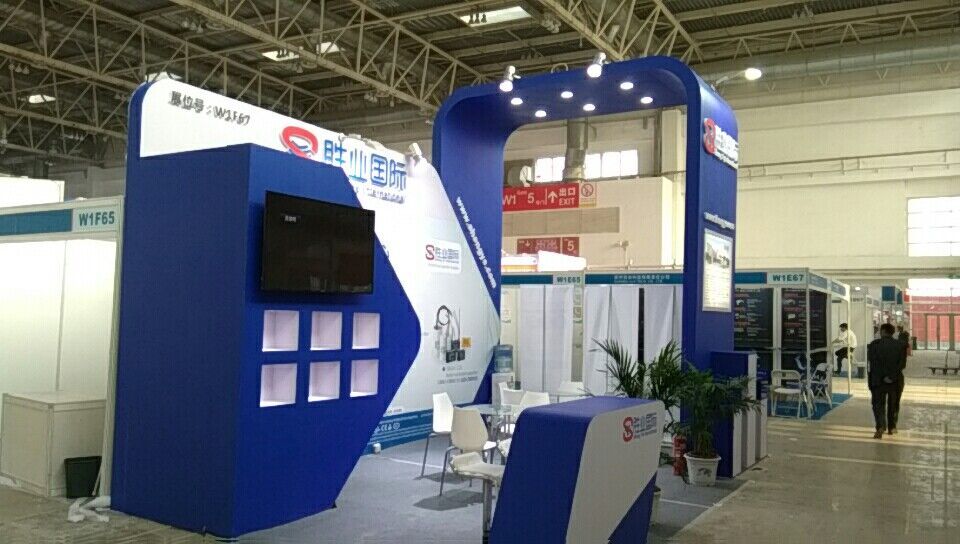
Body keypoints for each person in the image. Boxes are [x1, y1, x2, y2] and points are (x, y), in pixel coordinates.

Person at [867, 323, 907, 439]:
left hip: (878, 380)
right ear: (893, 332)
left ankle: (880, 426)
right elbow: (902, 364)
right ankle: (892, 427)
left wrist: (883, 376)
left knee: (878, 404)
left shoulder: (874, 345)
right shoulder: (900, 345)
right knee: (894, 403)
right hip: (895, 381)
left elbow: (873, 363)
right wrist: (891, 376)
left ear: (883, 331)